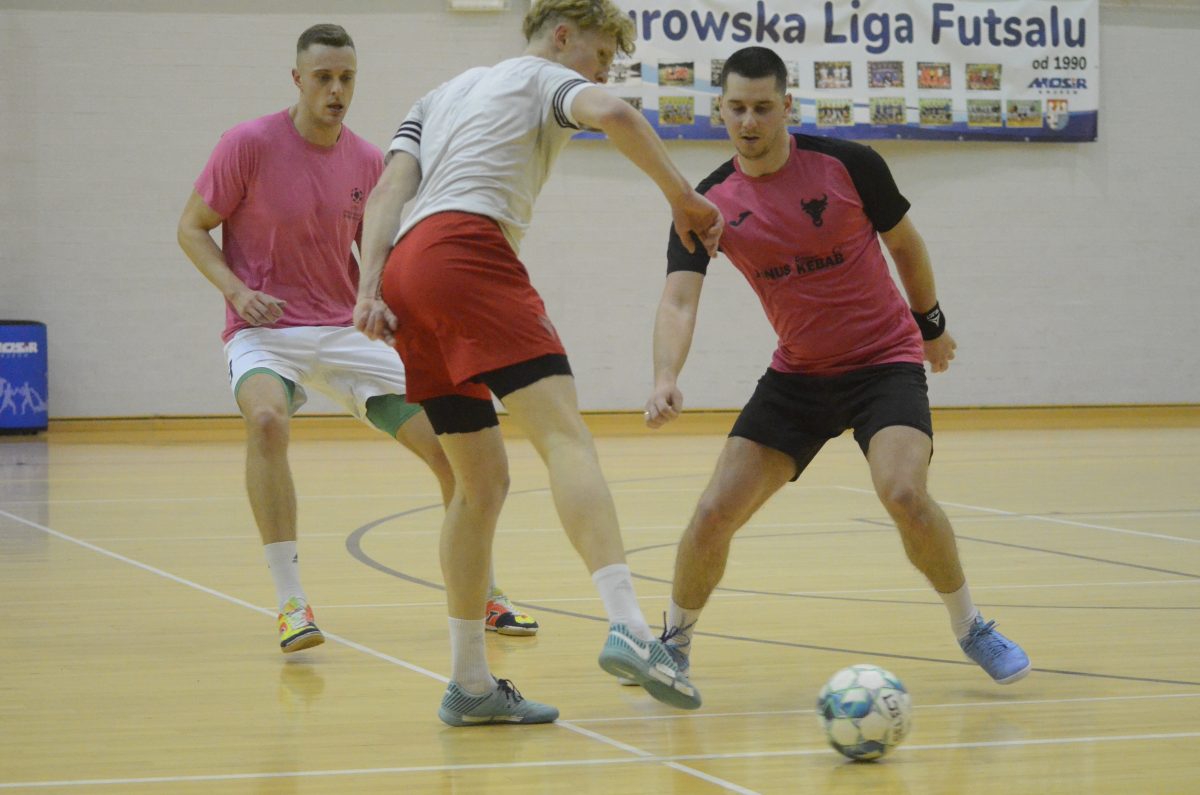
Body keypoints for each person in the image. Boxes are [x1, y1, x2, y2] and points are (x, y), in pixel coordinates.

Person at [354, 0, 723, 726]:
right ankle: (630, 626)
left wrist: (369, 286)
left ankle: (469, 683)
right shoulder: (540, 77)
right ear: (562, 35)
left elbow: (389, 189)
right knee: (564, 436)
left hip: (406, 270)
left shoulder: (441, 94)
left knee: (479, 485)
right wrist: (683, 199)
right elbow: (614, 114)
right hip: (467, 252)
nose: (602, 72)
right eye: (601, 55)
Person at [643, 46, 1030, 686]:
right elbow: (679, 299)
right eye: (737, 108)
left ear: (786, 106)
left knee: (904, 493)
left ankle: (972, 628)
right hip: (798, 376)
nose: (749, 121)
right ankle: (673, 645)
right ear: (721, 110)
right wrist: (665, 377)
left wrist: (930, 324)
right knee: (713, 512)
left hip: (884, 363)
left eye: (763, 107)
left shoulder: (849, 165)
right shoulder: (707, 202)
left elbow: (905, 245)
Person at [176, 23, 539, 655]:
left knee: (452, 451)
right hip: (265, 330)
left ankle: (485, 592)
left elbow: (382, 257)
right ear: (298, 79)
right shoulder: (247, 145)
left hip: (346, 332)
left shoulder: (371, 162)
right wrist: (236, 291)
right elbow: (191, 228)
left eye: (346, 78)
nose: (336, 90)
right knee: (266, 420)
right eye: (323, 78)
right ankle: (292, 603)